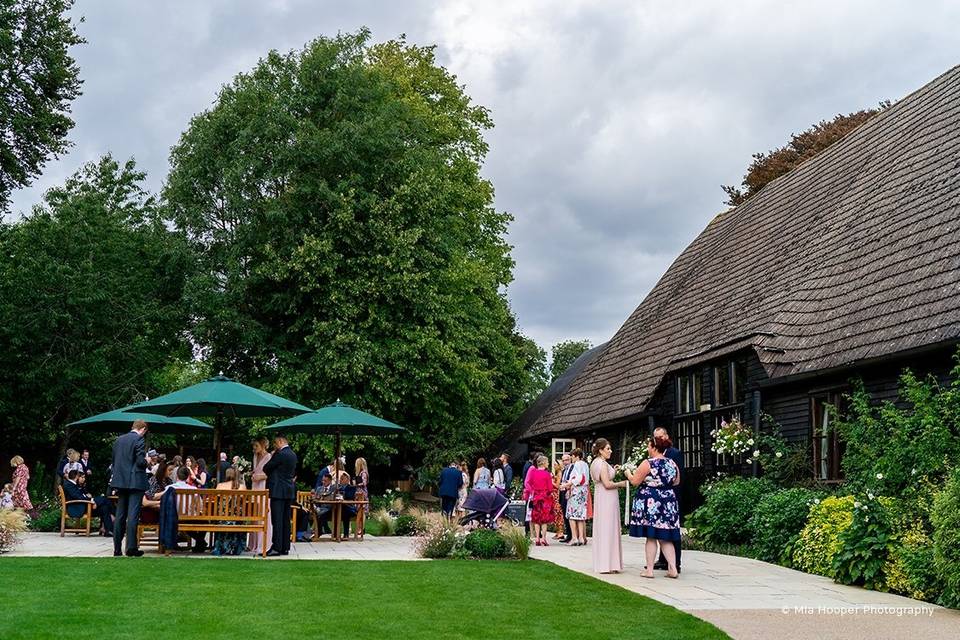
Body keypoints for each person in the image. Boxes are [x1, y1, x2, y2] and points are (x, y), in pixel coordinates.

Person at [627, 434, 681, 578]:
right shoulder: (672, 463)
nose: (647, 448)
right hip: (668, 501)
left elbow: (635, 481)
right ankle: (673, 569)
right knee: (665, 537)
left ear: (654, 447)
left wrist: (628, 474)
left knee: (651, 536)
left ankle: (649, 570)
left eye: (649, 446)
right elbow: (676, 482)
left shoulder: (648, 463)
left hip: (652, 502)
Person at [110, 419, 150, 557]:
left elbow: (114, 461)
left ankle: (116, 549)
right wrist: (147, 461)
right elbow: (140, 462)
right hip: (135, 482)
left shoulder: (118, 440)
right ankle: (131, 548)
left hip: (120, 481)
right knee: (133, 515)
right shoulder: (139, 440)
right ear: (143, 429)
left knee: (120, 515)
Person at [591, 438, 625, 574]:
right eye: (608, 449)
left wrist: (614, 469)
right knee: (608, 528)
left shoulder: (596, 463)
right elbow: (607, 484)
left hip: (602, 498)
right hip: (607, 498)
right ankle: (608, 564)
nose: (610, 451)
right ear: (600, 450)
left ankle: (607, 562)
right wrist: (622, 484)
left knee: (605, 528)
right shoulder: (602, 464)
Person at [652, 427, 684, 572]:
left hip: (672, 496)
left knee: (672, 529)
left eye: (660, 436)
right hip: (657, 498)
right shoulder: (654, 454)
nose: (659, 439)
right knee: (660, 529)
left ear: (666, 436)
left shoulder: (674, 453)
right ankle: (662, 560)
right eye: (656, 437)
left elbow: (678, 476)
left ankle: (675, 563)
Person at [263, 434, 297, 556]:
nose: (275, 445)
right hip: (288, 490)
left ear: (281, 441)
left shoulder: (279, 454)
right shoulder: (293, 454)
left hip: (278, 490)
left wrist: (272, 456)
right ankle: (285, 547)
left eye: (275, 443)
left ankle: (276, 547)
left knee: (277, 520)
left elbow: (266, 468)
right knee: (285, 520)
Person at [211, 468, 246, 556]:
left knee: (220, 516)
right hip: (237, 519)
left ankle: (220, 547)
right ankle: (235, 547)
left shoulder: (220, 486)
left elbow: (214, 501)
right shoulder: (241, 487)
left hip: (221, 519)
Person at [70, 471, 114, 536]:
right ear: (76, 477)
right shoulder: (69, 485)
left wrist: (89, 499)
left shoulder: (78, 485)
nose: (83, 479)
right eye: (81, 477)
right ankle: (114, 515)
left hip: (86, 505)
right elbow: (79, 497)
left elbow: (84, 495)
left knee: (105, 508)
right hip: (79, 508)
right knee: (104, 499)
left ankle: (109, 531)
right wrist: (92, 502)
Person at [248, 437, 273, 553]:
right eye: (253, 446)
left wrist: (260, 476)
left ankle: (263, 543)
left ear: (263, 445)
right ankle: (253, 544)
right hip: (254, 486)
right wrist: (252, 473)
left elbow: (271, 474)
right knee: (254, 512)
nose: (254, 448)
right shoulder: (255, 456)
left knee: (263, 512)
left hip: (263, 485)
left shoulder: (269, 457)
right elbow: (256, 469)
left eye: (256, 446)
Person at [524, 455, 555, 546]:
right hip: (545, 498)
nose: (548, 464)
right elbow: (550, 488)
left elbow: (528, 483)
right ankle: (543, 539)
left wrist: (533, 491)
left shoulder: (533, 473)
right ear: (544, 463)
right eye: (547, 462)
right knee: (544, 520)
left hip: (536, 497)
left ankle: (537, 538)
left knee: (537, 519)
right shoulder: (547, 474)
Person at [561, 449, 589, 546]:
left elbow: (579, 478)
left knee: (571, 515)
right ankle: (581, 537)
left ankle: (574, 538)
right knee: (580, 516)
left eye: (572, 456)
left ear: (576, 456)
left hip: (576, 491)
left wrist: (567, 484)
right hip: (583, 492)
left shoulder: (577, 464)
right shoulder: (585, 464)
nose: (571, 458)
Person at [556, 453, 573, 542]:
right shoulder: (563, 470)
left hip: (569, 493)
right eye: (563, 460)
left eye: (567, 460)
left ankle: (572, 535)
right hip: (562, 494)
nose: (565, 462)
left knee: (570, 515)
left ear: (570, 460)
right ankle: (569, 535)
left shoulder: (573, 469)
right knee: (565, 515)